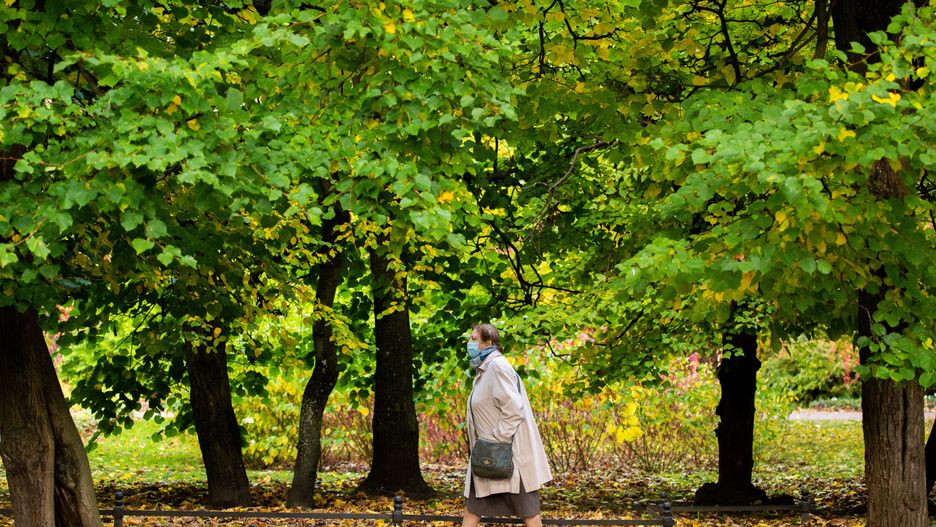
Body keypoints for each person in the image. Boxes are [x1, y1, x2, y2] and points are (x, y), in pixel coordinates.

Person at [462, 324, 552, 527]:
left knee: (529, 511)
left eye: (474, 339)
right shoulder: (484, 369)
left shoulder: (497, 367)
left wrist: (497, 439)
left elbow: (513, 408)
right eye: (470, 339)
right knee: (473, 508)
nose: (470, 343)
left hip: (509, 456)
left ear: (489, 342)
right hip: (489, 455)